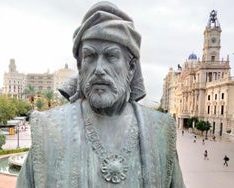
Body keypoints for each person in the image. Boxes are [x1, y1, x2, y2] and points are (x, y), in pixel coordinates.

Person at [16, 2, 185, 187]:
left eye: (111, 56)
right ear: (80, 67)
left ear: (131, 68)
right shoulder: (49, 129)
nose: (99, 69)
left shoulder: (159, 130)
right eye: (90, 56)